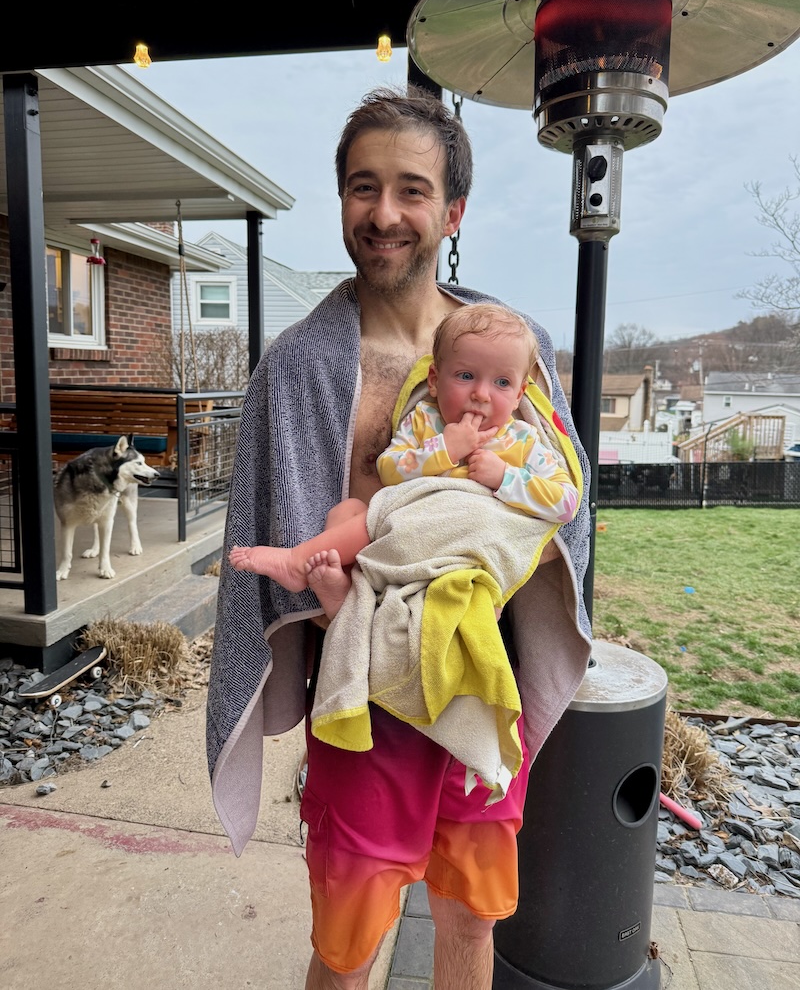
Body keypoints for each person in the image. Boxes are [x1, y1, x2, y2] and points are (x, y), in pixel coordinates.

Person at [206, 85, 593, 990]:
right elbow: (274, 517)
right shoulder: (299, 363)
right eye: (363, 186)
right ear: (342, 198)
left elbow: (564, 500)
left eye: (412, 190)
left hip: (481, 675)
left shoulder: (511, 349)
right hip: (365, 703)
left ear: (452, 209)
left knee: (468, 919)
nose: (385, 213)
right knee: (348, 945)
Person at [227, 302, 580, 622]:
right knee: (347, 511)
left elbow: (566, 502)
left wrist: (504, 478)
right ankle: (347, 601)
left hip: (460, 553)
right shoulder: (425, 421)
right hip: (404, 538)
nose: (481, 393)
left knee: (378, 521)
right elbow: (389, 471)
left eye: (502, 382)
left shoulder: (521, 441)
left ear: (519, 394)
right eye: (466, 376)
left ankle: (298, 561)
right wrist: (445, 449)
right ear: (435, 380)